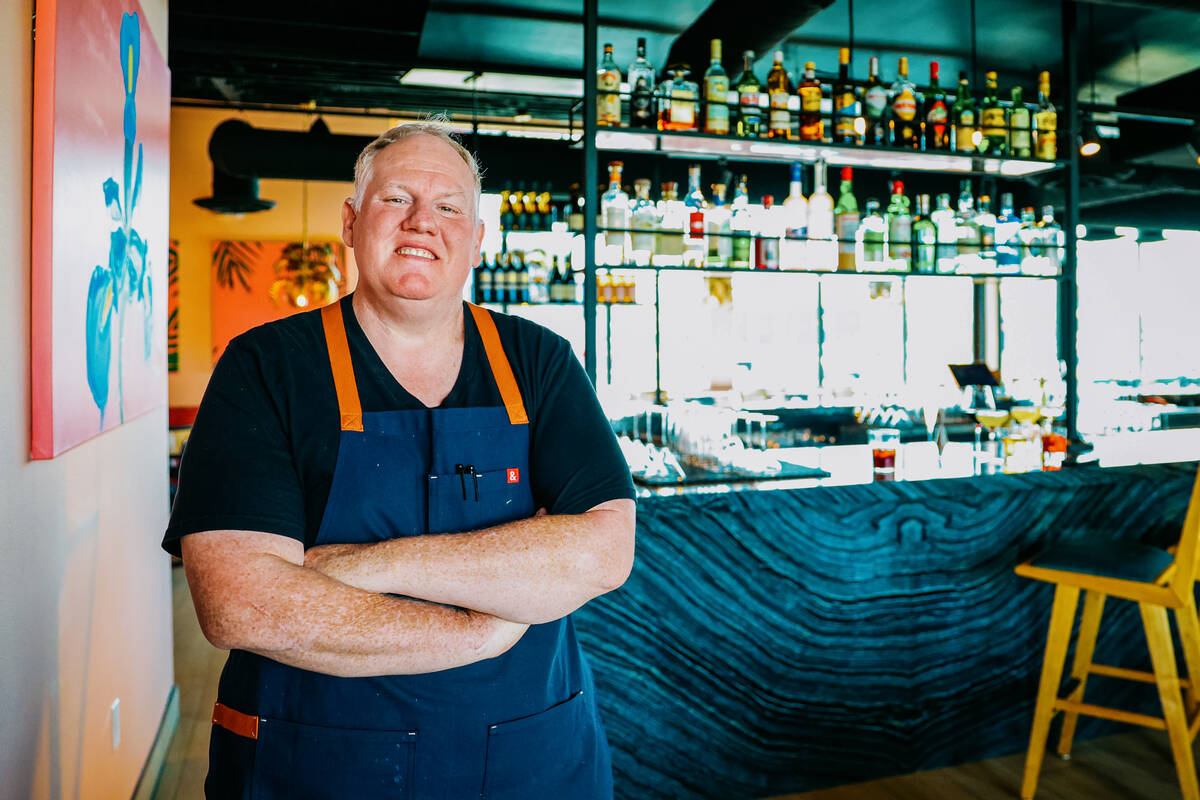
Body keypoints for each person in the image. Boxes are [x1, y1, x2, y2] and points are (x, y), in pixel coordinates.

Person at [163, 121, 637, 799]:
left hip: (529, 760)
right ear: (352, 222)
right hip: (318, 765)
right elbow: (242, 603)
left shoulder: (541, 362)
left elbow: (601, 553)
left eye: (449, 207)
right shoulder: (265, 368)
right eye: (396, 199)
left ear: (477, 239)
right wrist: (480, 632)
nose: (423, 222)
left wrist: (367, 565)